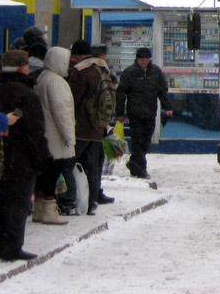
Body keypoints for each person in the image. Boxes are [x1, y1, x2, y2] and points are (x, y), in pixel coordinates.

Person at [0, 50, 51, 262]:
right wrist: (43, 158)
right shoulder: (27, 95)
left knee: (0, 201)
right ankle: (12, 247)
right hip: (22, 158)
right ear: (21, 68)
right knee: (18, 203)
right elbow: (35, 131)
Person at [67, 39, 113, 213]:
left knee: (70, 163)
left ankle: (72, 200)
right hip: (97, 127)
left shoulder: (80, 72)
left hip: (81, 127)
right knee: (93, 167)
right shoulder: (103, 70)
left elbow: (73, 100)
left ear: (77, 55)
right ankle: (92, 201)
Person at [33, 46, 75, 224]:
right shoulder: (57, 82)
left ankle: (39, 209)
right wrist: (69, 136)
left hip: (44, 134)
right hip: (56, 136)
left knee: (43, 174)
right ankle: (50, 210)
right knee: (54, 172)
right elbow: (62, 112)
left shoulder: (42, 78)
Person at [116, 47, 171, 179]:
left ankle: (133, 163)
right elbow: (121, 93)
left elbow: (162, 91)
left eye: (146, 59)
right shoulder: (129, 73)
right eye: (142, 59)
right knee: (138, 140)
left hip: (150, 112)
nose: (144, 62)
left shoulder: (156, 72)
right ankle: (141, 169)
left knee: (146, 140)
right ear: (137, 59)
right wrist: (119, 112)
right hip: (135, 112)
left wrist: (167, 107)